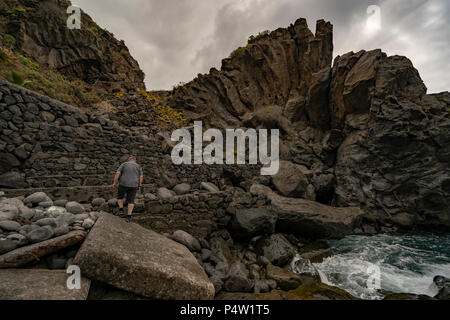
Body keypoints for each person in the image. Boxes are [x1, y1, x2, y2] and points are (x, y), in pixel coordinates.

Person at [113, 156, 143, 222]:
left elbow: (117, 173)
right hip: (134, 185)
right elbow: (141, 177)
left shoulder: (124, 164)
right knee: (131, 200)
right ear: (135, 160)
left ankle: (121, 210)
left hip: (123, 183)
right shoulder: (138, 166)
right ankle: (129, 216)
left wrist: (115, 182)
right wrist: (139, 186)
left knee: (120, 196)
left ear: (128, 160)